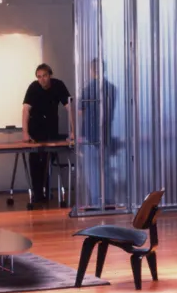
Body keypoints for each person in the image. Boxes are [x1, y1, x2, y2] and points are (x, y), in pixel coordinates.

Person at [21, 63, 71, 207]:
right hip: (35, 128)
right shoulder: (33, 87)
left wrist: (74, 130)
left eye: (44, 76)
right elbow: (25, 110)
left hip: (51, 127)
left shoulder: (58, 85)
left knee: (49, 159)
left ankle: (47, 191)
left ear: (50, 75)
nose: (41, 79)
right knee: (36, 161)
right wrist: (25, 132)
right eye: (39, 77)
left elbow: (69, 107)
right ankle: (38, 194)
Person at [78, 57, 117, 206]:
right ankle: (109, 202)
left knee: (92, 173)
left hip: (89, 136)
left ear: (91, 70)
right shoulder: (112, 88)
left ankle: (96, 203)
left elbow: (80, 111)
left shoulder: (88, 89)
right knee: (105, 170)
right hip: (106, 135)